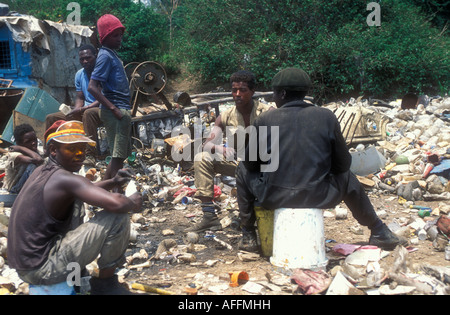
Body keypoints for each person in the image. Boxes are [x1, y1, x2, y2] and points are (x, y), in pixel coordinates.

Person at [236, 67, 408, 252]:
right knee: (347, 176)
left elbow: (250, 164)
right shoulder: (326, 116)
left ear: (283, 93)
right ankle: (379, 230)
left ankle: (248, 234)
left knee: (242, 169)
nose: (274, 98)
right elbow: (343, 164)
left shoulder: (264, 119)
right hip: (319, 195)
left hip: (273, 197)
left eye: (275, 93)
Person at [7, 120, 142, 295]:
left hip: (27, 266)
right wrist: (132, 201)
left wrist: (113, 181)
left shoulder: (43, 171)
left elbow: (85, 189)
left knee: (77, 202)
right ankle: (106, 284)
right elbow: (117, 204)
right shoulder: (65, 179)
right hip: (42, 269)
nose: (80, 154)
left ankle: (77, 280)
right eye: (72, 148)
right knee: (118, 216)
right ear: (54, 150)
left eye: (82, 149)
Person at [184, 70, 273, 233]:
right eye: (234, 90)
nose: (237, 94)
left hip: (264, 167)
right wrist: (219, 148)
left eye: (243, 90)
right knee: (202, 157)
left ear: (252, 92)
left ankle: (263, 211)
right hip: (238, 163)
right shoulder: (225, 116)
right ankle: (209, 217)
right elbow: (207, 144)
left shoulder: (267, 112)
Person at [88, 14, 132, 182]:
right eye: (114, 35)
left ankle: (113, 190)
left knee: (120, 156)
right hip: (115, 110)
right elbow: (92, 87)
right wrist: (113, 108)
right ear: (104, 37)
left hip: (120, 109)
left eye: (120, 35)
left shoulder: (111, 54)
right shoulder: (105, 56)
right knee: (117, 156)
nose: (119, 38)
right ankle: (107, 191)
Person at [45, 44, 102, 166]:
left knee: (88, 113)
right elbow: (80, 97)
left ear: (95, 56)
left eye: (88, 58)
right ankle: (51, 152)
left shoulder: (101, 72)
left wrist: (82, 108)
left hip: (102, 109)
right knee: (52, 117)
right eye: (82, 59)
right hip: (85, 108)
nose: (85, 61)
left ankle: (90, 154)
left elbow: (103, 98)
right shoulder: (79, 74)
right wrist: (76, 109)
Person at [3, 124, 44, 194]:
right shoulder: (15, 155)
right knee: (32, 166)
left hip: (26, 187)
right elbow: (38, 160)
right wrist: (20, 148)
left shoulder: (36, 151)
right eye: (28, 141)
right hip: (15, 191)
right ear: (19, 143)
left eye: (35, 139)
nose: (34, 143)